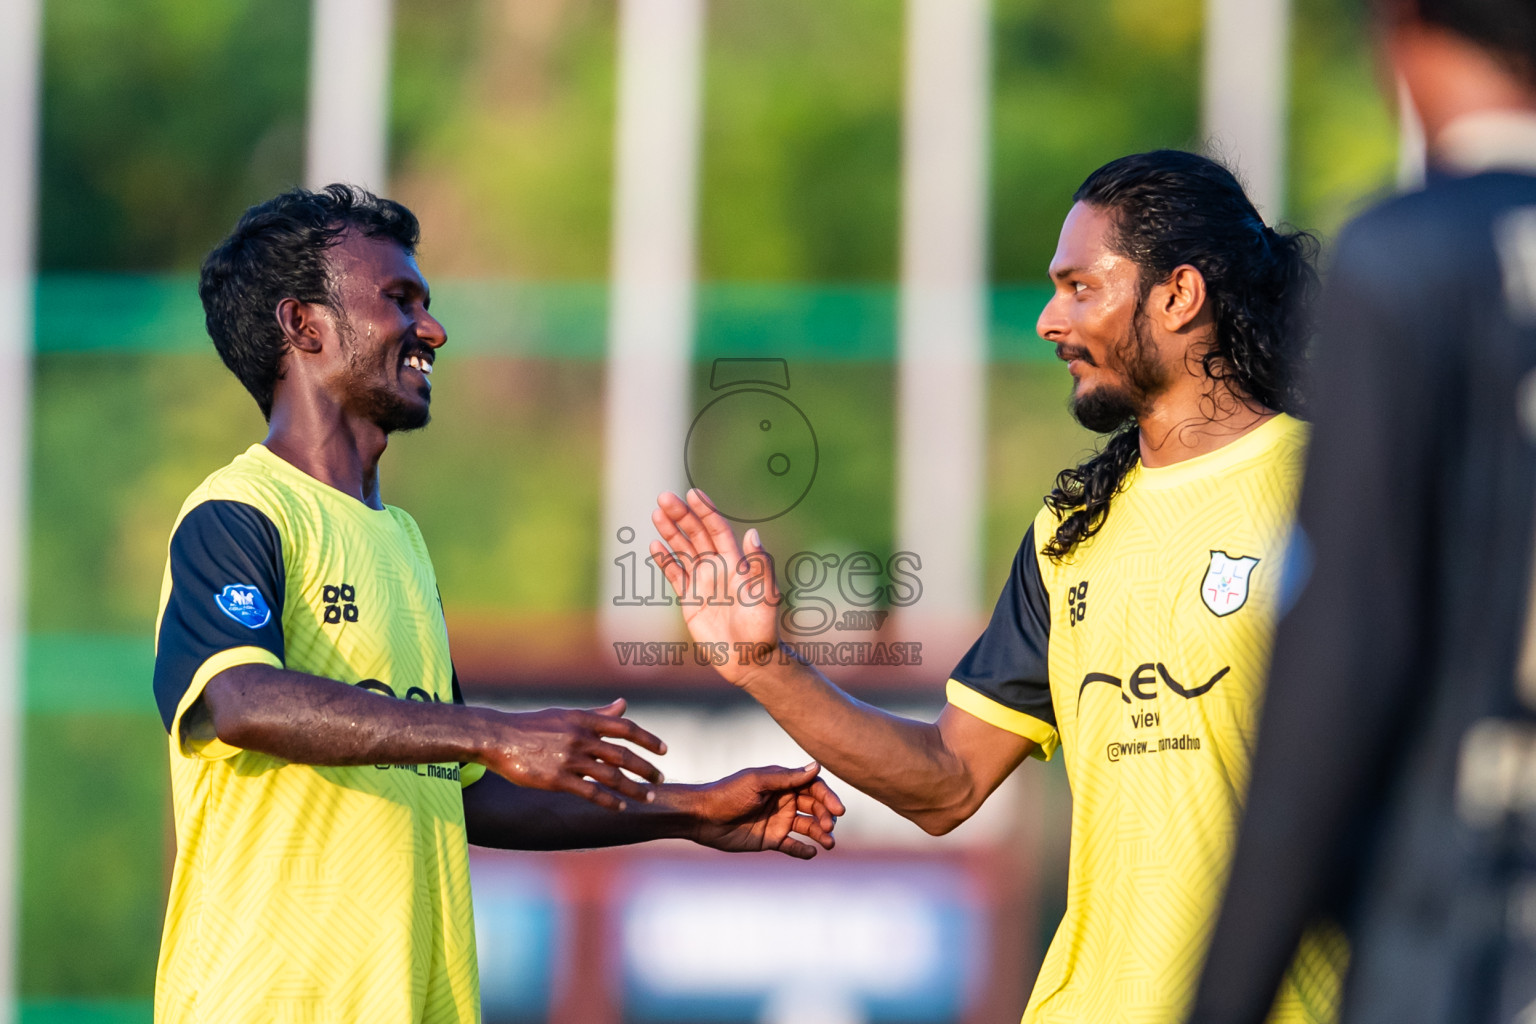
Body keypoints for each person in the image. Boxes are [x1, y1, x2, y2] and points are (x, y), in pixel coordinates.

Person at [649, 150, 1343, 1023]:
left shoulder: (1335, 492)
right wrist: (763, 665)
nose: (1050, 319)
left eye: (1081, 287)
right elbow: (948, 784)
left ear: (1178, 296)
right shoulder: (1070, 528)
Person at [152, 185, 844, 1024]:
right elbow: (236, 699)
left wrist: (691, 809)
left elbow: (459, 785)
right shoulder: (240, 512)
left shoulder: (398, 539)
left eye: (427, 303)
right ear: (303, 327)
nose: (432, 330)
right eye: (399, 301)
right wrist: (495, 730)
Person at [1187, 3, 1536, 1022]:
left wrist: (1231, 993)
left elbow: (1344, 656)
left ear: (1406, 30)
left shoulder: (1407, 256)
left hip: (1463, 923)